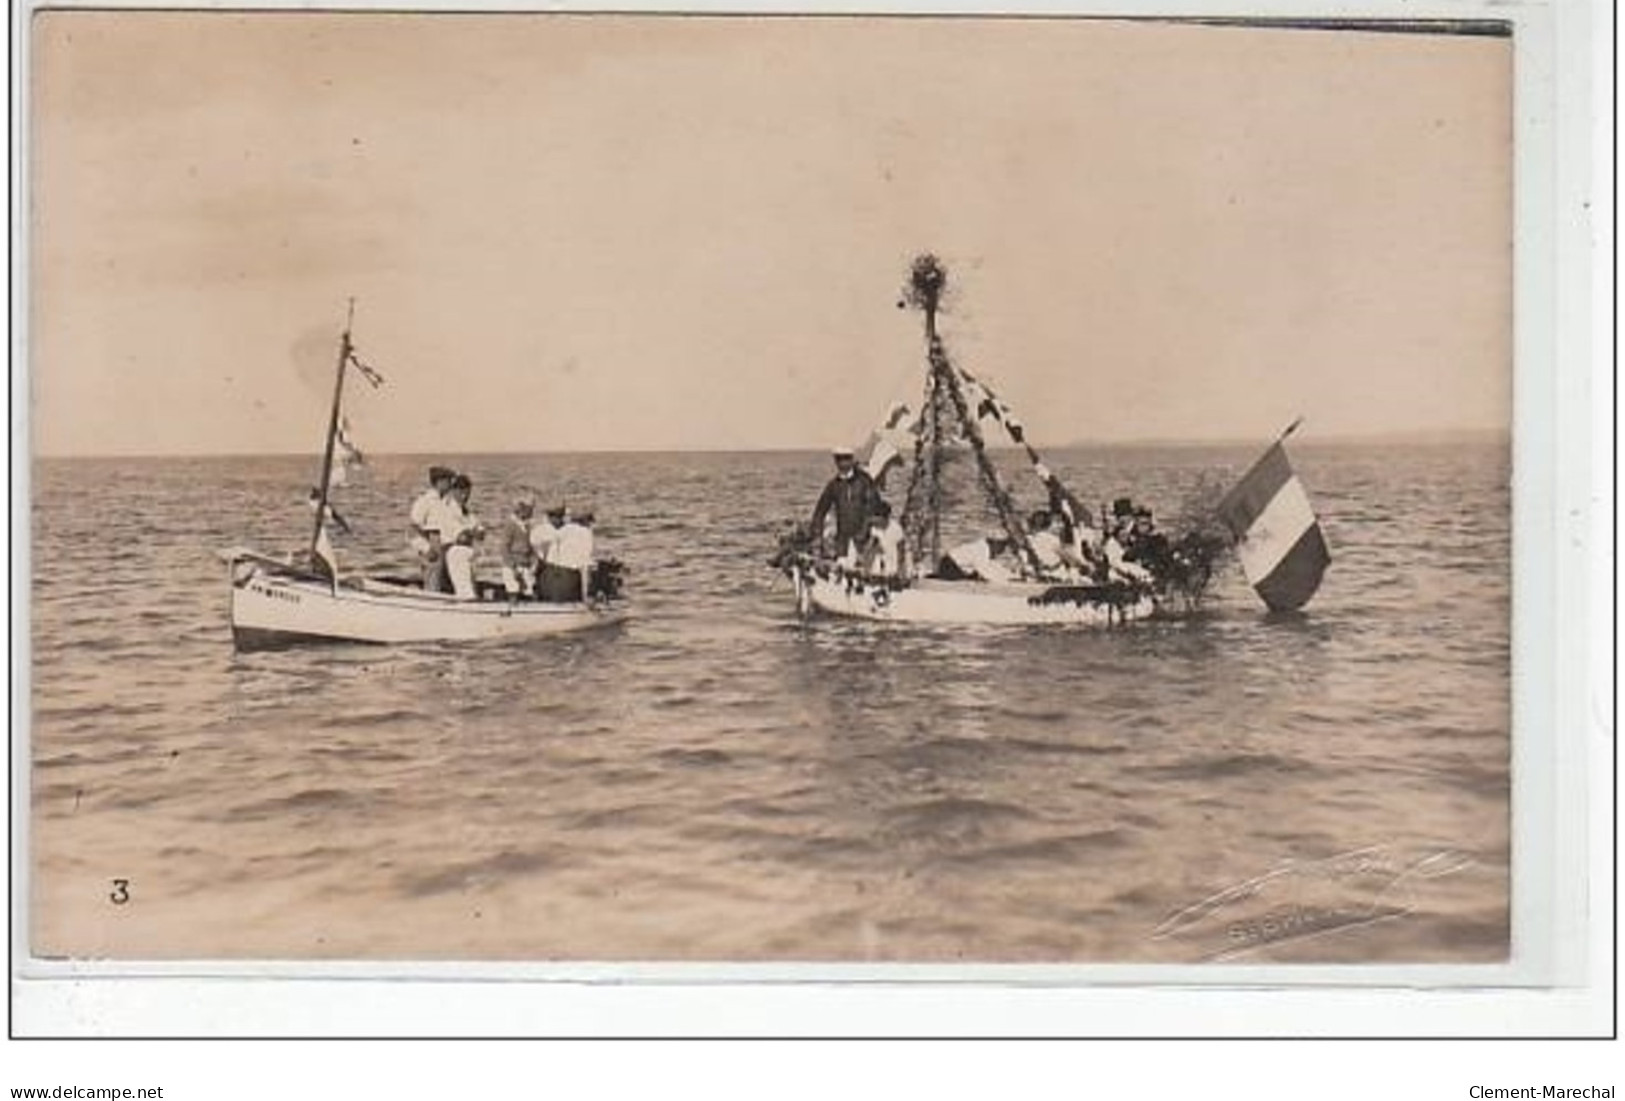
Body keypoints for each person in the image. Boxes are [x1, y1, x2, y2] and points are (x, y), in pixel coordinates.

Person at [809, 448, 883, 566]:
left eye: (846, 458)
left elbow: (875, 508)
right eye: (839, 459)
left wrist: (867, 531)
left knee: (868, 576)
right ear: (835, 461)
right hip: (843, 541)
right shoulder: (834, 485)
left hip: (866, 540)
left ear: (852, 459)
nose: (842, 463)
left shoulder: (864, 481)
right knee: (842, 574)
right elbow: (820, 512)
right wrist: (817, 537)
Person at [408, 466, 456, 590]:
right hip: (432, 543)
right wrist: (426, 548)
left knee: (447, 583)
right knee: (432, 583)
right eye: (448, 480)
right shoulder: (425, 501)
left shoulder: (449, 501)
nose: (451, 484)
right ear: (438, 482)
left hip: (448, 545)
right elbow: (412, 531)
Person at [440, 474, 485, 600]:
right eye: (461, 492)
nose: (465, 497)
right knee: (465, 593)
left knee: (472, 590)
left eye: (467, 493)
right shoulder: (448, 509)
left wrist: (472, 532)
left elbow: (481, 532)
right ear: (454, 491)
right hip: (456, 552)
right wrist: (472, 532)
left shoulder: (466, 511)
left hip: (469, 554)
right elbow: (461, 537)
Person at [539, 508, 594, 602]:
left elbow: (543, 548)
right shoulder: (586, 533)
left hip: (549, 577)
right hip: (568, 578)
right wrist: (585, 596)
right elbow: (585, 568)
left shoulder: (561, 531)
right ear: (588, 522)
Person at [498, 497, 537, 598]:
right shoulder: (510, 525)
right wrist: (512, 567)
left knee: (529, 592)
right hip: (513, 566)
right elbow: (504, 548)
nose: (532, 513)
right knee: (514, 591)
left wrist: (533, 561)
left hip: (525, 565)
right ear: (522, 509)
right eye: (530, 510)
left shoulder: (526, 526)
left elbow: (529, 547)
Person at [860, 500, 907, 580]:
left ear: (884, 517)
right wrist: (866, 567)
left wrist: (900, 571)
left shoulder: (896, 529)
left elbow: (901, 552)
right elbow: (871, 548)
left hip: (895, 563)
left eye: (876, 517)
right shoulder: (875, 529)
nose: (873, 520)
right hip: (883, 564)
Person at [938, 535, 1015, 583]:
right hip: (949, 566)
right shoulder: (981, 550)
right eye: (1001, 547)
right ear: (994, 544)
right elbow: (984, 570)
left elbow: (991, 567)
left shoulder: (982, 547)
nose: (1000, 552)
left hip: (950, 564)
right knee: (974, 578)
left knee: (974, 575)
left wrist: (1008, 575)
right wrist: (1001, 580)